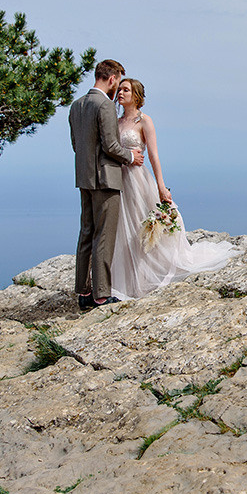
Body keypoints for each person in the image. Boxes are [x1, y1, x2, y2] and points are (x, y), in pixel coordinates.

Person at [111, 78, 237, 299]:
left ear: (136, 95)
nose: (120, 92)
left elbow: (153, 155)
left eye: (126, 89)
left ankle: (148, 272)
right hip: (117, 179)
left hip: (136, 179)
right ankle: (129, 278)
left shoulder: (144, 121)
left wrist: (161, 185)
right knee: (124, 227)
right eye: (119, 89)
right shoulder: (116, 121)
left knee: (141, 223)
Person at [69, 59, 144, 310]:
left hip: (84, 179)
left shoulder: (76, 106)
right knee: (104, 236)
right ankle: (101, 295)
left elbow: (76, 146)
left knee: (86, 233)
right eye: (118, 81)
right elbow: (111, 146)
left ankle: (83, 292)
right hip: (106, 179)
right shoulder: (105, 106)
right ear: (112, 79)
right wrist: (131, 156)